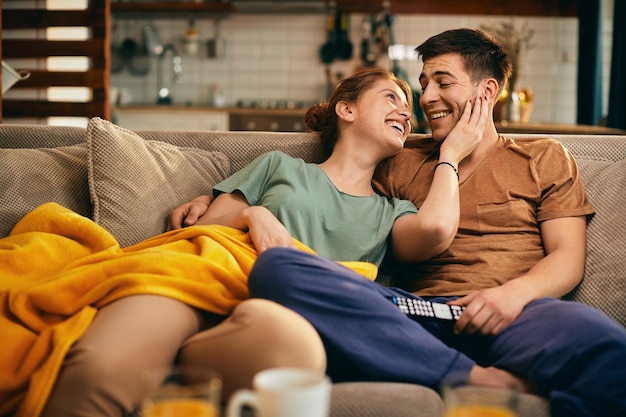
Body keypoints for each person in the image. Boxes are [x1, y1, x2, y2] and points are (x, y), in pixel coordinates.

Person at [39, 67, 482, 417]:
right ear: (346, 110)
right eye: (392, 98)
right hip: (201, 283)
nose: (407, 112)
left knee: (292, 352)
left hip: (277, 315)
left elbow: (437, 230)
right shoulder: (280, 168)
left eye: (409, 109)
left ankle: (174, 369)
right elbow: (208, 229)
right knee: (100, 372)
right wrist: (254, 212)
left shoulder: (390, 212)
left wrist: (451, 154)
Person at [244, 29, 626, 417]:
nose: (425, 99)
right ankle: (474, 377)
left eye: (443, 82)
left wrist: (513, 295)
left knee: (611, 351)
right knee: (278, 268)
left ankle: (434, 369)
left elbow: (568, 257)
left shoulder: (543, 156)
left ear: (487, 91)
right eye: (423, 84)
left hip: (519, 313)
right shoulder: (400, 156)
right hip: (413, 317)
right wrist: (232, 200)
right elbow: (329, 182)